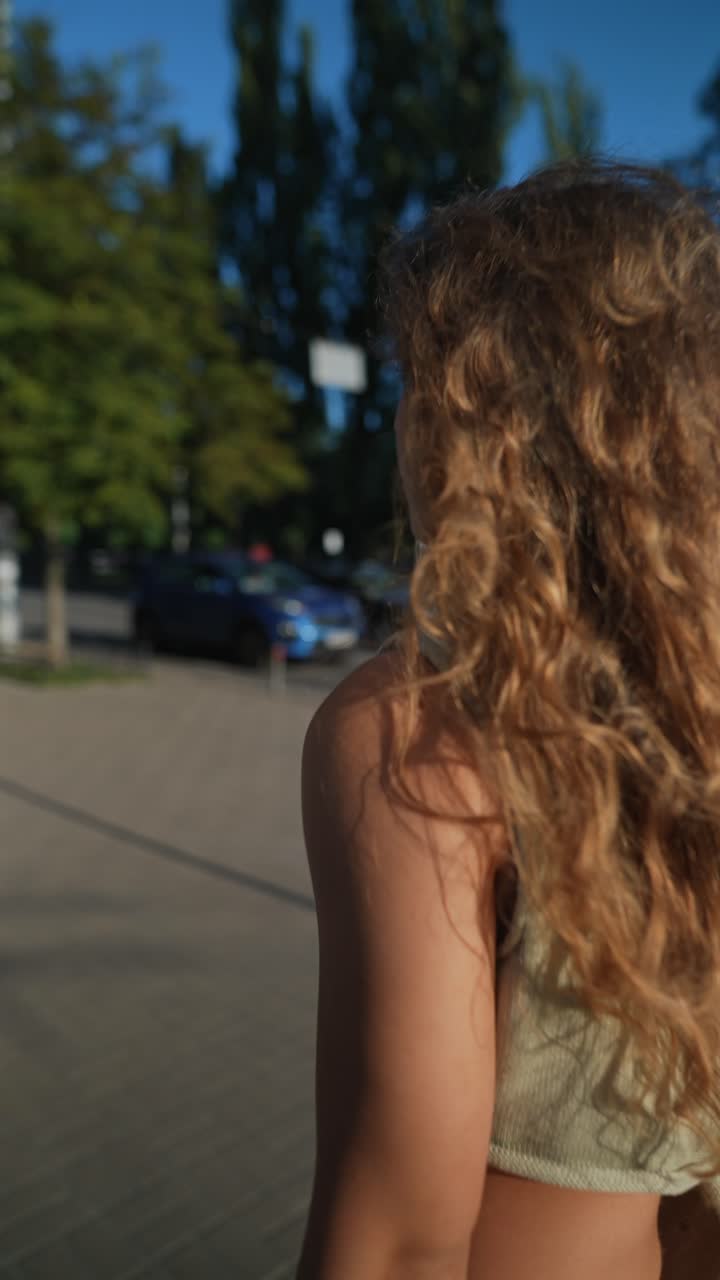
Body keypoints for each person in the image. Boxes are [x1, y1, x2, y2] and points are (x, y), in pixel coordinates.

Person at [296, 161, 720, 1280]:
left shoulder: (413, 734)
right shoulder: (696, 718)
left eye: (419, 386)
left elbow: (399, 1239)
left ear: (476, 435)